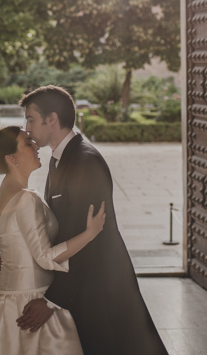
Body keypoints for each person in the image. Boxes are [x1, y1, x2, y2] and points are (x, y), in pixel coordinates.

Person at [17, 85, 168, 355]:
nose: (26, 127)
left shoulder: (85, 162)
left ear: (51, 119)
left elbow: (89, 240)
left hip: (101, 286)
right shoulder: (59, 158)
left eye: (30, 119)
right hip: (82, 286)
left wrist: (51, 300)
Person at [0, 126, 106, 355]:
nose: (36, 146)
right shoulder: (25, 198)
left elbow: (15, 242)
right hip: (27, 304)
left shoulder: (4, 192)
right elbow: (44, 258)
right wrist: (90, 233)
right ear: (12, 158)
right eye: (28, 143)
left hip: (4, 299)